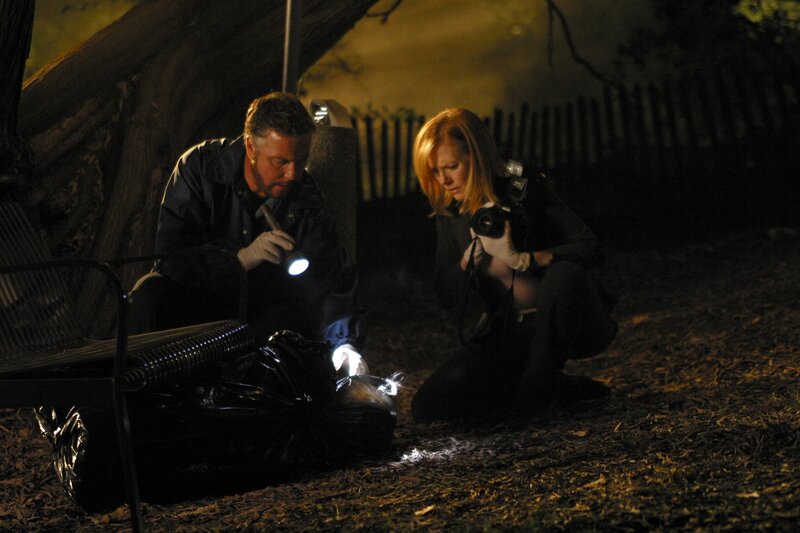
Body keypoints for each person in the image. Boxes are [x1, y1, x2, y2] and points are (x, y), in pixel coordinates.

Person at [129, 92, 365, 374]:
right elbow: (171, 258)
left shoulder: (306, 196)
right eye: (280, 162)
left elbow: (327, 280)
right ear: (251, 147)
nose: (293, 174)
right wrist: (238, 259)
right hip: (197, 302)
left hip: (262, 313)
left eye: (301, 161)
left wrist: (344, 345)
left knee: (289, 332)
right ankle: (139, 388)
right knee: (149, 293)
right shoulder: (201, 168)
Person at [410, 108, 617, 422]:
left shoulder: (522, 189)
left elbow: (590, 247)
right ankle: (552, 385)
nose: (444, 180)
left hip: (571, 319)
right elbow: (444, 291)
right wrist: (468, 263)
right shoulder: (451, 212)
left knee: (565, 273)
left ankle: (539, 382)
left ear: (477, 156)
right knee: (429, 406)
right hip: (512, 330)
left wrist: (527, 259)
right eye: (434, 171)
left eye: (451, 166)